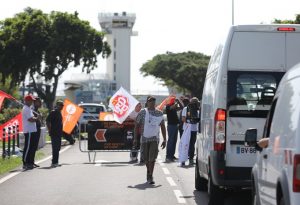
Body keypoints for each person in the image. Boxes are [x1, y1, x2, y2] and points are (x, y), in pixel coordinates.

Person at [134, 96, 167, 184]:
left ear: (155, 103)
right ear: (147, 103)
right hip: (144, 139)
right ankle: (148, 171)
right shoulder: (142, 112)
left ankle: (150, 175)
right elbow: (136, 125)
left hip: (154, 139)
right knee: (145, 159)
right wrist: (135, 139)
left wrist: (165, 139)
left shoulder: (159, 113)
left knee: (152, 158)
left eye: (153, 101)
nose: (151, 102)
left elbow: (163, 126)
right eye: (150, 101)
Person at [180, 97, 200, 166]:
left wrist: (191, 121)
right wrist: (191, 121)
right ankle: (186, 160)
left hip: (191, 129)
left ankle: (187, 160)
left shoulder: (195, 110)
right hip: (190, 130)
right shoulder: (188, 109)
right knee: (188, 145)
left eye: (196, 102)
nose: (195, 103)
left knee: (189, 145)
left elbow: (183, 119)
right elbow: (183, 118)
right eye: (194, 102)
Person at [22, 95, 38, 170]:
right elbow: (31, 119)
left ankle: (30, 162)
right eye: (31, 100)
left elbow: (32, 118)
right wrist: (37, 118)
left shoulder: (29, 108)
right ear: (27, 101)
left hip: (32, 130)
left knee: (32, 147)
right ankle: (25, 163)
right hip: (29, 131)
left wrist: (36, 118)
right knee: (28, 147)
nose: (32, 102)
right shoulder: (26, 109)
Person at [46, 100, 64, 168]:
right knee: (55, 148)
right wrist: (50, 130)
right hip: (54, 133)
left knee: (58, 148)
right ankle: (54, 162)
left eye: (62, 105)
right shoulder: (54, 112)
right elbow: (47, 121)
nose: (62, 106)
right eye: (60, 105)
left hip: (58, 133)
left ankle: (55, 161)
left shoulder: (59, 112)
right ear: (57, 105)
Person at [31, 97, 42, 168]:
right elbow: (33, 119)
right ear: (34, 102)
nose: (39, 103)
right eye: (38, 102)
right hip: (33, 130)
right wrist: (38, 117)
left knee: (35, 146)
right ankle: (30, 162)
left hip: (38, 129)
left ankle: (32, 161)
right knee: (32, 146)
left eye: (40, 102)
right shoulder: (32, 110)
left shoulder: (37, 110)